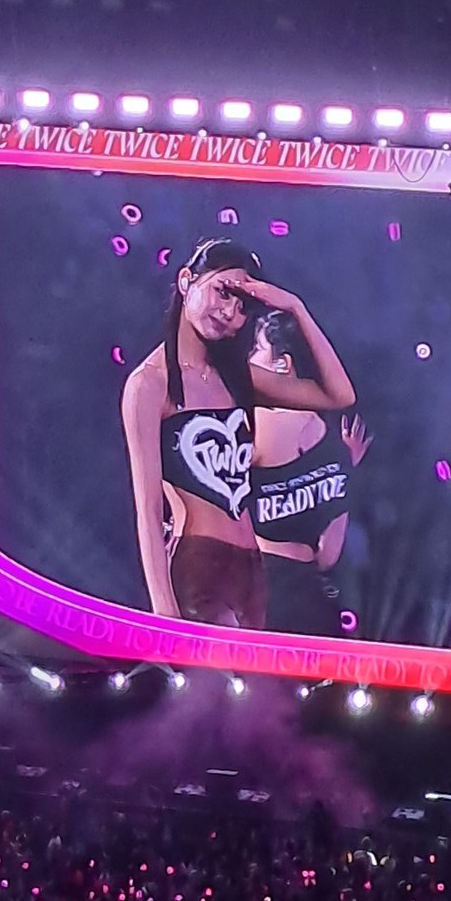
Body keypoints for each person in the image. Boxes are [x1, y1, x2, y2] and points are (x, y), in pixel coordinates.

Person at [121, 239, 355, 626]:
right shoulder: (149, 384)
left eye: (243, 306)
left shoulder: (235, 377)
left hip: (253, 571)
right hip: (199, 565)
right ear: (186, 281)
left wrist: (295, 307)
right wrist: (164, 615)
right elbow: (147, 508)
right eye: (223, 292)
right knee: (218, 666)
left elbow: (339, 395)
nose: (230, 311)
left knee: (253, 667)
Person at [247, 311, 372, 630]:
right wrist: (347, 470)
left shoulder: (251, 426)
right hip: (310, 599)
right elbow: (327, 556)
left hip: (259, 593)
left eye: (257, 349)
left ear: (282, 364)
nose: (249, 361)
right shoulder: (334, 445)